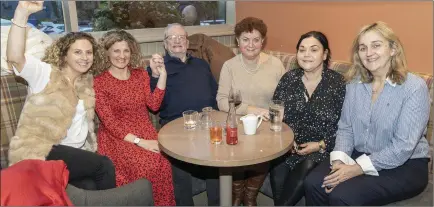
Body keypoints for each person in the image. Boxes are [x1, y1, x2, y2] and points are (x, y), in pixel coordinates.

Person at [304, 21, 431, 206]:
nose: (369, 53)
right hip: (361, 153)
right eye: (363, 48)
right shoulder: (355, 83)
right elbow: (346, 128)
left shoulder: (414, 87)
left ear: (393, 49)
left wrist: (356, 168)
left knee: (343, 196)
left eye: (376, 45)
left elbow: (403, 147)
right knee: (314, 183)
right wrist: (339, 160)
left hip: (406, 164)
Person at [6, 1, 115, 190]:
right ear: (64, 55)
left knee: (89, 186)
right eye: (78, 52)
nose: (85, 57)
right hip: (41, 151)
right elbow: (15, 57)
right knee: (104, 166)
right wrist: (22, 13)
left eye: (89, 52)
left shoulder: (86, 83)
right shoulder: (45, 74)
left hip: (72, 156)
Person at [94, 30, 175, 206]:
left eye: (126, 51)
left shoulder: (139, 74)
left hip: (143, 128)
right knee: (145, 166)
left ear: (132, 52)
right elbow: (110, 123)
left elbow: (154, 105)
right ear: (107, 52)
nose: (122, 56)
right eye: (116, 51)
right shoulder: (99, 82)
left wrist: (163, 76)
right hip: (118, 137)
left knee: (164, 162)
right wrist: (141, 142)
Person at [269, 31, 346, 206]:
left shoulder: (338, 83)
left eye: (313, 49)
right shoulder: (288, 79)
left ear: (325, 54)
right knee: (278, 179)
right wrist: (286, 140)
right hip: (287, 150)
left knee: (285, 200)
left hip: (320, 151)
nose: (307, 55)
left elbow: (346, 127)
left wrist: (319, 145)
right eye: (302, 50)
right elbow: (275, 114)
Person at [147, 23, 220, 206]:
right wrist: (156, 77)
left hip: (206, 124)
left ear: (187, 43)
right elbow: (154, 105)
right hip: (175, 127)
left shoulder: (201, 64)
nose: (177, 41)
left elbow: (215, 95)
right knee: (180, 173)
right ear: (165, 44)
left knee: (217, 165)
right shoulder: (158, 69)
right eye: (172, 38)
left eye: (181, 38)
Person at [216, 17, 285, 206]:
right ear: (237, 41)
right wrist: (253, 109)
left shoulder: (276, 65)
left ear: (263, 41)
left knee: (264, 149)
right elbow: (222, 101)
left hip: (266, 127)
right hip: (238, 125)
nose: (251, 44)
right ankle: (237, 195)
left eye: (256, 39)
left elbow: (284, 99)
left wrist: (271, 114)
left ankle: (250, 196)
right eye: (245, 39)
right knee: (235, 149)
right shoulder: (229, 66)